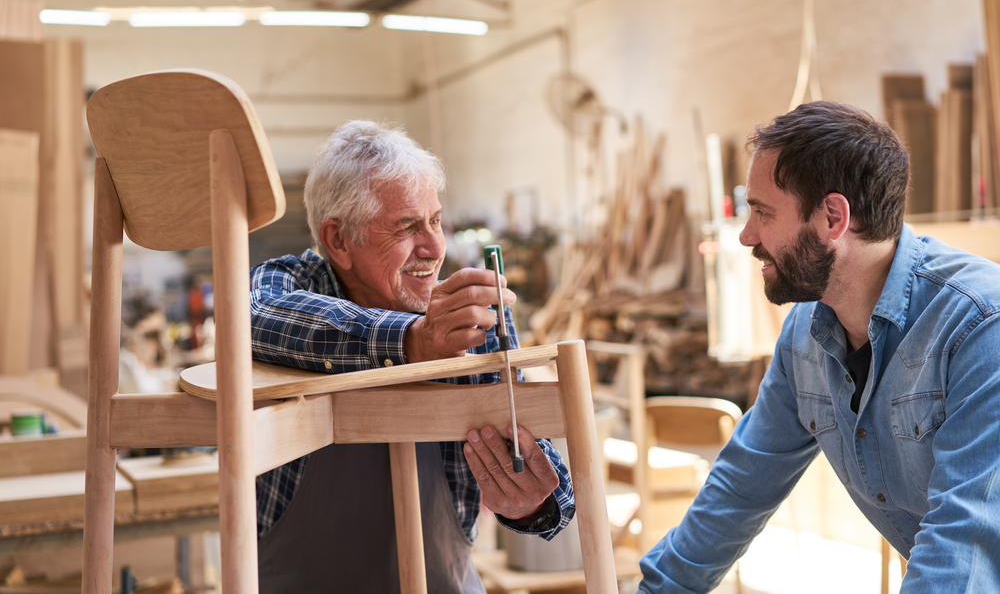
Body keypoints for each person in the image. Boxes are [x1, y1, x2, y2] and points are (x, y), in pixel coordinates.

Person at [637, 100, 1000, 592]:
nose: (747, 236)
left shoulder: (980, 326)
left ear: (833, 216)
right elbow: (742, 487)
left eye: (762, 212)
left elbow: (964, 539)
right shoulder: (805, 334)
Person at [250, 120, 575, 592]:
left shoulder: (468, 319)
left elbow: (551, 491)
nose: (434, 247)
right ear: (339, 240)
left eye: (436, 221)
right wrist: (415, 340)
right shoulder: (290, 285)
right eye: (406, 227)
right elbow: (256, 317)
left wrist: (532, 502)